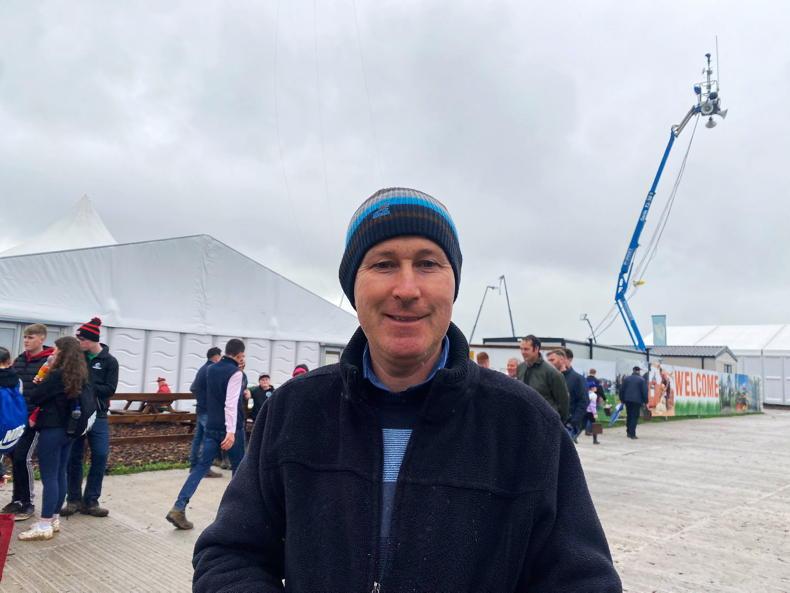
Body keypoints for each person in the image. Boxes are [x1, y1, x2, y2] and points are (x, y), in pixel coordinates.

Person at [192, 187, 621, 592]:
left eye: (428, 263)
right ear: (353, 287)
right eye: (383, 264)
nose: (407, 289)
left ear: (454, 285)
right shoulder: (294, 411)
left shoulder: (525, 424)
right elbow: (229, 555)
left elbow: (583, 582)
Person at [166, 339, 247, 530]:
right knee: (239, 471)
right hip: (231, 429)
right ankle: (233, 515)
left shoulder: (211, 369)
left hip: (212, 426)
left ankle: (179, 506)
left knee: (200, 467)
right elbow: (231, 403)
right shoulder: (235, 373)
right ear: (239, 355)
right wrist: (231, 431)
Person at [18, 337, 87, 541]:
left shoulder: (56, 375)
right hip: (69, 430)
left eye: (56, 350)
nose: (52, 353)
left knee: (49, 477)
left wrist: (44, 373)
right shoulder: (80, 375)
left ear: (63, 353)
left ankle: (44, 523)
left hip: (52, 428)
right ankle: (54, 518)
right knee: (60, 473)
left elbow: (36, 396)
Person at [61, 317, 119, 518]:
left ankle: (91, 501)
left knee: (100, 455)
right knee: (74, 457)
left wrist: (87, 387)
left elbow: (110, 389)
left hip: (99, 415)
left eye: (82, 340)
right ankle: (73, 500)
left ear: (93, 340)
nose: (79, 343)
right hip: (78, 415)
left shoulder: (110, 361)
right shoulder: (78, 358)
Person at [2, 324, 54, 521]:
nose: (26, 341)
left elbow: (48, 392)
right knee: (14, 458)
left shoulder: (48, 362)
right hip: (17, 419)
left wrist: (35, 414)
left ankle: (28, 502)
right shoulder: (20, 360)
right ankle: (17, 500)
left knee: (23, 458)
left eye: (31, 337)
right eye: (25, 337)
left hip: (35, 419)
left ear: (41, 339)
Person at [517, 335, 569, 420]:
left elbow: (563, 403)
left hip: (545, 421)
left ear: (536, 349)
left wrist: (558, 423)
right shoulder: (520, 368)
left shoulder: (552, 373)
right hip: (524, 419)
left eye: (526, 349)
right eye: (521, 349)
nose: (523, 352)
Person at [189, 347, 222, 478]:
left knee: (198, 438)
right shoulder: (211, 370)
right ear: (216, 357)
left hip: (201, 408)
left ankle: (193, 466)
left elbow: (193, 388)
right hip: (208, 410)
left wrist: (201, 399)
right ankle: (204, 469)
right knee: (207, 439)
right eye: (220, 356)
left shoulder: (202, 369)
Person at [546, 349, 587, 443]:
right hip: (550, 422)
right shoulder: (549, 378)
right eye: (548, 360)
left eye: (552, 360)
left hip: (567, 425)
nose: (549, 363)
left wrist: (573, 422)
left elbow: (583, 401)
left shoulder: (577, 379)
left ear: (562, 359)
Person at [619, 365, 648, 439]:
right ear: (639, 371)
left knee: (629, 415)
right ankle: (632, 434)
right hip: (637, 401)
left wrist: (622, 399)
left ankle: (628, 432)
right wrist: (645, 401)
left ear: (633, 370)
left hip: (627, 400)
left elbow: (621, 390)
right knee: (634, 417)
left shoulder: (626, 379)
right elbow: (644, 391)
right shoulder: (641, 380)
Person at [585, 380, 600, 445]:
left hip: (586, 411)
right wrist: (595, 413)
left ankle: (574, 436)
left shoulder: (587, 393)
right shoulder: (594, 395)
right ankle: (595, 440)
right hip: (591, 412)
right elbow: (592, 406)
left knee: (582, 425)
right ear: (592, 388)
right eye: (595, 387)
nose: (596, 388)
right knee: (595, 426)